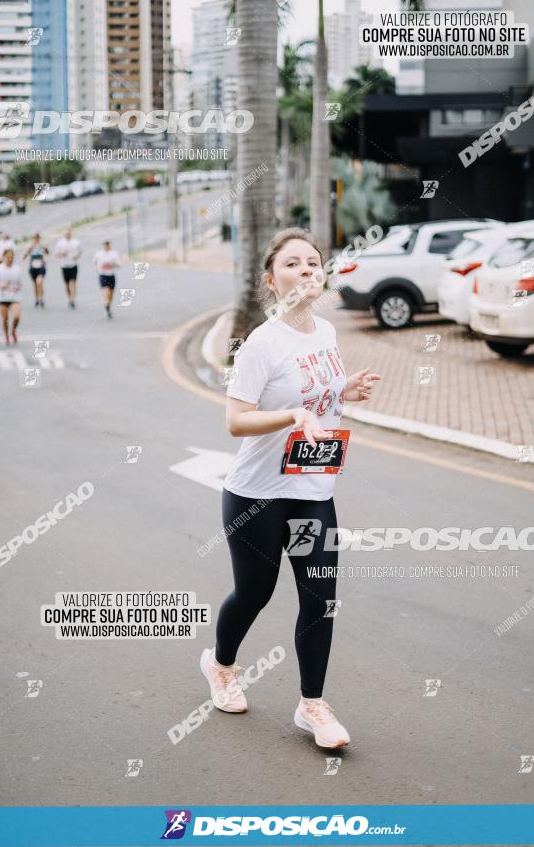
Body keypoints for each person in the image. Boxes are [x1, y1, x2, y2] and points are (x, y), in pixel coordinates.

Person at [200, 228, 381, 750]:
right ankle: (221, 665)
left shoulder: (324, 332)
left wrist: (344, 392)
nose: (306, 270)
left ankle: (312, 705)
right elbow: (236, 421)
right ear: (271, 281)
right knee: (255, 593)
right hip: (257, 494)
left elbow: (321, 400)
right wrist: (294, 415)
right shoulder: (261, 342)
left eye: (313, 263)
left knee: (320, 599)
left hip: (312, 490)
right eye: (293, 264)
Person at [0, 247, 21, 345]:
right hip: (2, 297)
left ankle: (13, 330)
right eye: (7, 257)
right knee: (5, 318)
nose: (10, 259)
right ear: (3, 257)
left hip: (14, 297)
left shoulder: (17, 269)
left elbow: (20, 283)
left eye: (11, 257)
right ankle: (6, 335)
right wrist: (1, 285)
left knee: (16, 316)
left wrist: (18, 287)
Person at [92, 239, 121, 318]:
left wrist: (113, 264)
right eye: (105, 245)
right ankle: (106, 306)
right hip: (102, 275)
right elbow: (94, 262)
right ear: (103, 246)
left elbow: (119, 265)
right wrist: (96, 268)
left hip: (111, 275)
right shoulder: (99, 254)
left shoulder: (114, 254)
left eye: (108, 245)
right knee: (106, 292)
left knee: (111, 293)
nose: (106, 246)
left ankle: (108, 306)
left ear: (110, 246)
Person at [54, 229, 82, 308]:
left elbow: (80, 251)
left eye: (69, 233)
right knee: (67, 284)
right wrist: (62, 254)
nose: (68, 235)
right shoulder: (60, 243)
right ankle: (69, 298)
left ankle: (73, 300)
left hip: (73, 264)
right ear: (64, 234)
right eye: (66, 234)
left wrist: (77, 256)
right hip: (64, 265)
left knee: (72, 283)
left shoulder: (76, 242)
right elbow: (56, 253)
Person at [22, 233, 48, 307]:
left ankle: (42, 298)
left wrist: (45, 260)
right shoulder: (30, 246)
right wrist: (25, 257)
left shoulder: (43, 246)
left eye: (37, 237)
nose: (36, 239)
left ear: (39, 238)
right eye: (34, 237)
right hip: (33, 267)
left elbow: (47, 254)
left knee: (39, 282)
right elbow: (25, 255)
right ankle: (37, 299)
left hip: (41, 266)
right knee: (35, 284)